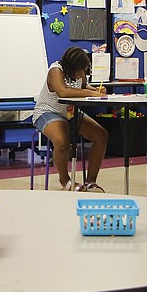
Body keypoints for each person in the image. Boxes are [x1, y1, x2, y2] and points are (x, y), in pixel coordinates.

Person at [32, 46, 109, 192]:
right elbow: (63, 91)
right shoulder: (55, 70)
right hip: (47, 112)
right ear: (71, 67)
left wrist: (96, 90)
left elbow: (84, 86)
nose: (81, 75)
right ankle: (65, 180)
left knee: (101, 135)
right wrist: (90, 93)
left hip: (70, 112)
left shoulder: (80, 74)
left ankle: (91, 182)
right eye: (80, 71)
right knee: (61, 140)